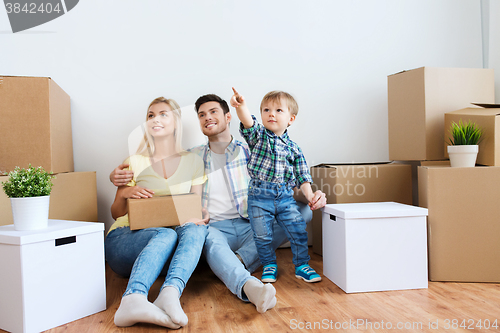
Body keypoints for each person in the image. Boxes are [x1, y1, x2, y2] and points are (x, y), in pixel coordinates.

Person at [110, 94, 327, 313]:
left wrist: (312, 196)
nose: (207, 118)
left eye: (213, 112)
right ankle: (248, 285)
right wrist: (120, 181)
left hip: (251, 224)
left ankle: (236, 261)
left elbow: (285, 189)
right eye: (202, 115)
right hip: (213, 229)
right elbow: (167, 188)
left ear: (229, 116)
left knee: (299, 212)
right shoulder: (191, 158)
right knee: (203, 235)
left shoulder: (254, 150)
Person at [105, 97, 208, 330]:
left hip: (165, 253)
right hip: (125, 240)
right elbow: (116, 213)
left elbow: (193, 209)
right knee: (165, 234)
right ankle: (133, 298)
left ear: (176, 122)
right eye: (150, 115)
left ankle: (169, 294)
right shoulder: (134, 162)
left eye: (163, 114)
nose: (155, 119)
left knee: (196, 227)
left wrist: (201, 215)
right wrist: (125, 193)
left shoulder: (193, 162)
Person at [230, 88, 321, 284]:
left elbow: (303, 177)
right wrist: (241, 106)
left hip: (285, 197)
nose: (271, 114)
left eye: (279, 110)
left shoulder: (294, 149)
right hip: (259, 196)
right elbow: (247, 122)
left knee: (297, 227)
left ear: (291, 119)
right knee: (262, 235)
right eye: (266, 110)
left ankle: (302, 265)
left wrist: (310, 195)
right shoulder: (258, 137)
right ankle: (269, 263)